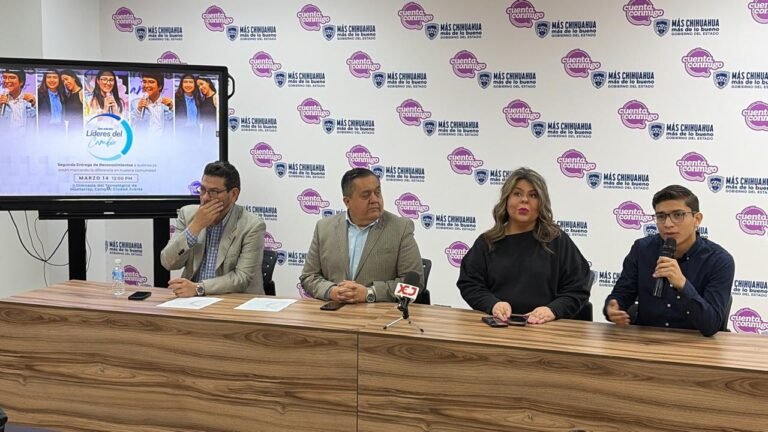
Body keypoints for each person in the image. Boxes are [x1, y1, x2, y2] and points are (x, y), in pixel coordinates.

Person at [457, 167, 591, 324]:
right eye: (517, 194)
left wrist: (553, 310)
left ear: (541, 203)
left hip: (545, 329)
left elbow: (578, 288)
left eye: (533, 195)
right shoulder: (487, 242)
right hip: (498, 327)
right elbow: (470, 283)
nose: (524, 200)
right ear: (506, 200)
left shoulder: (558, 241)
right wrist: (493, 304)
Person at [604, 185, 735, 337]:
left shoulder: (719, 261)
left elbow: (711, 325)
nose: (667, 224)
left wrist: (683, 285)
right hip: (645, 341)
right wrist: (612, 307)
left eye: (678, 215)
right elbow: (622, 294)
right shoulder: (642, 249)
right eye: (661, 216)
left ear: (697, 219)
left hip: (694, 343)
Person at [300, 168, 424, 303]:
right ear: (347, 202)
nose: (375, 200)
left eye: (377, 192)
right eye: (366, 195)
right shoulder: (324, 228)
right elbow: (308, 277)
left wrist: (370, 293)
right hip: (334, 311)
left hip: (379, 313)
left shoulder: (401, 228)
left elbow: (414, 286)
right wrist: (331, 291)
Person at [160, 161, 266, 297]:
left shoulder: (252, 225)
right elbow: (167, 262)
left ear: (234, 194)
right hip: (191, 301)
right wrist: (195, 227)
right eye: (202, 190)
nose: (205, 198)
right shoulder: (187, 215)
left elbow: (241, 278)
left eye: (214, 192)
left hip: (234, 301)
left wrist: (199, 288)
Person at [0, 69, 36, 133]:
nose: (7, 81)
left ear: (21, 82)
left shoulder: (30, 100)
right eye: (4, 77)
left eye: (12, 78)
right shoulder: (1, 101)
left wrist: (34, 105)